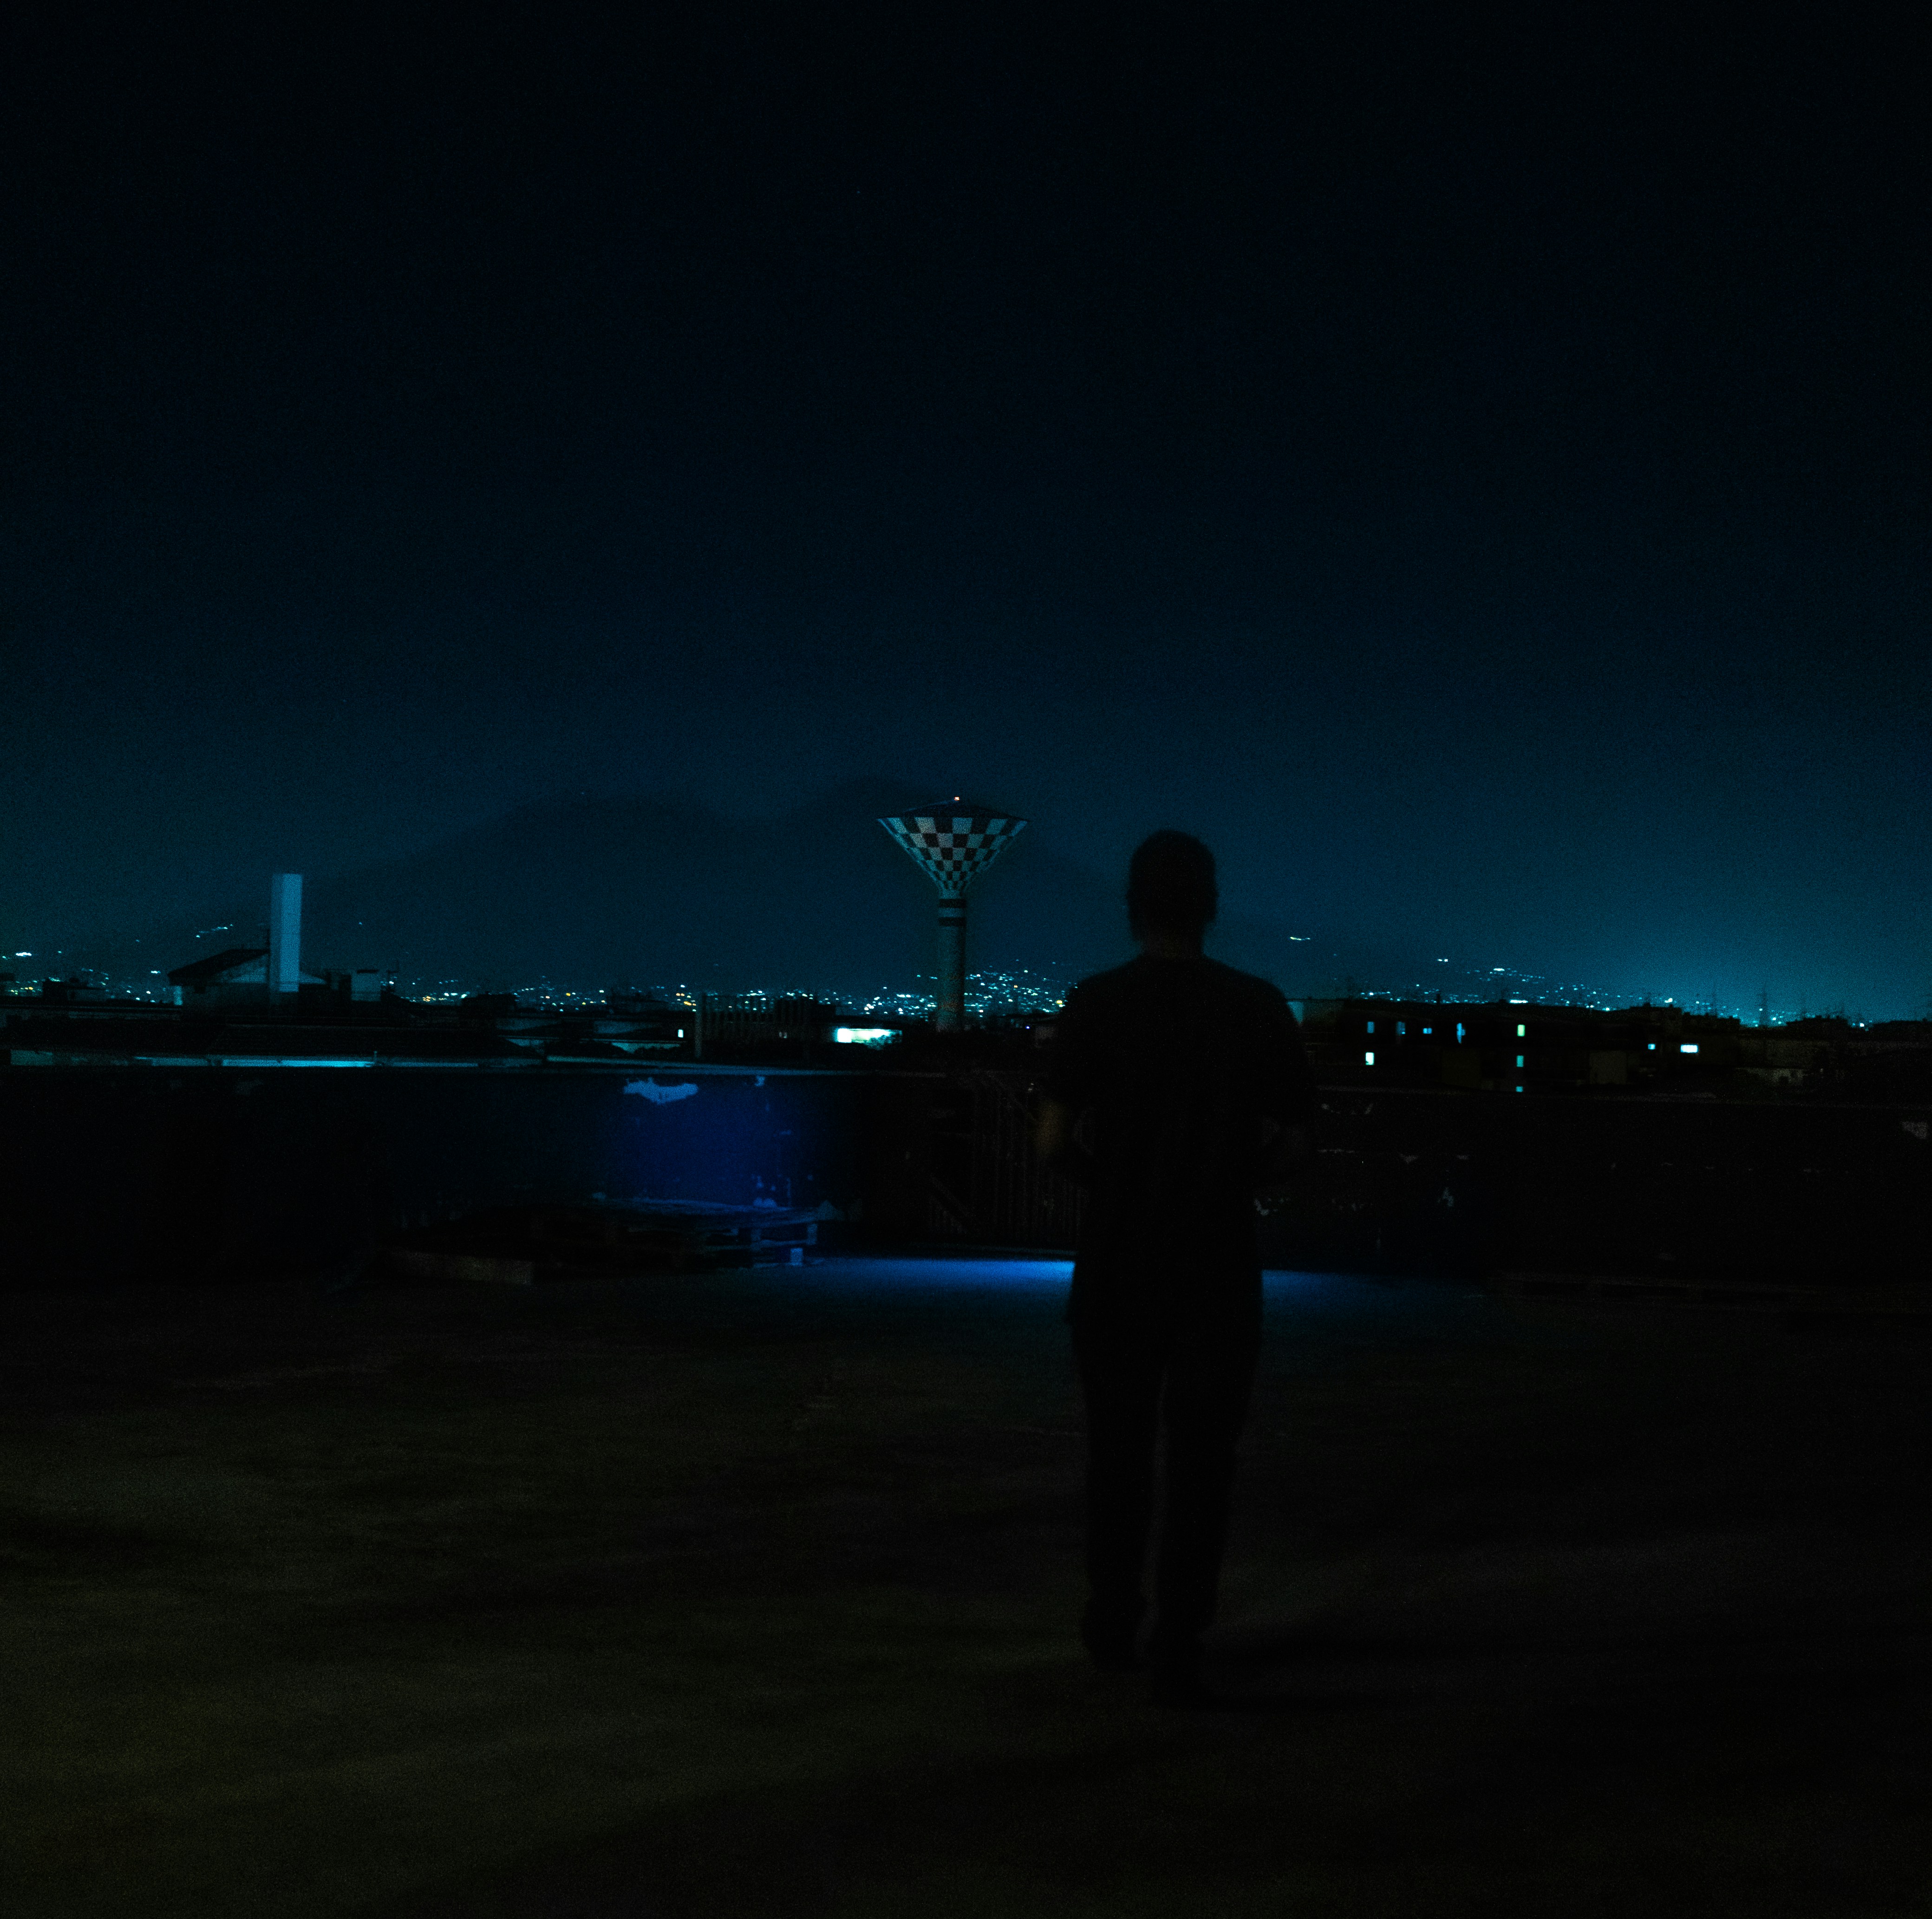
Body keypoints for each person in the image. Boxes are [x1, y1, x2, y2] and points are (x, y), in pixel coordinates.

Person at [1037, 830, 1315, 1707]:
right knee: (1204, 1460)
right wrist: (1235, 1180)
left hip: (1118, 1264)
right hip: (1217, 1270)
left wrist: (1106, 1180)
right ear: (1212, 905)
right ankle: (1180, 1637)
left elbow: (1050, 1142)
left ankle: (1111, 1618)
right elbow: (1297, 1146)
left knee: (1117, 1452)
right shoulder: (1259, 1006)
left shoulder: (1094, 1005)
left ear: (1132, 904)